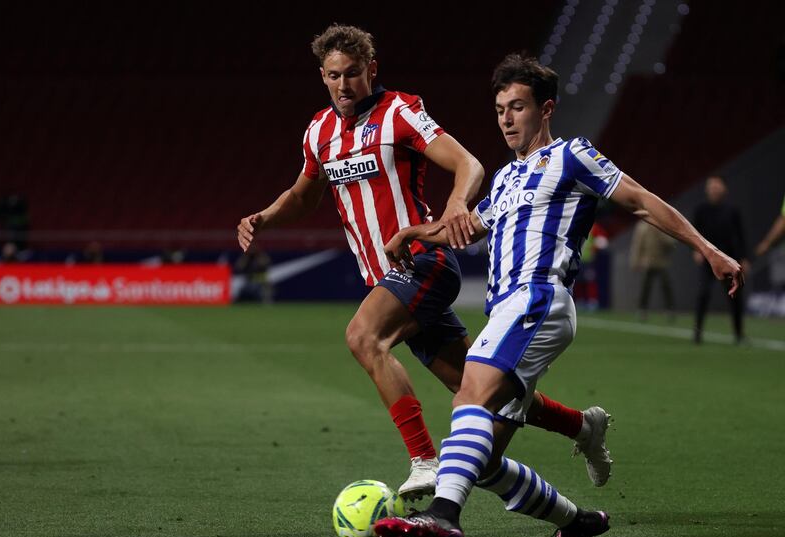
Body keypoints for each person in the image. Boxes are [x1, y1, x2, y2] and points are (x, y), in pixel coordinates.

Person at [374, 54, 743, 537]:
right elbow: (466, 227)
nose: (506, 117)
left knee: (469, 396)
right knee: (480, 459)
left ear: (545, 109)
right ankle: (578, 520)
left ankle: (442, 517)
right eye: (500, 108)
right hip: (510, 308)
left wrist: (708, 249)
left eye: (518, 107)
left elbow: (639, 200)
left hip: (538, 296)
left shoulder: (572, 156)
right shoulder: (505, 179)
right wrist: (416, 233)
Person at [236, 26, 612, 500]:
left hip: (422, 262)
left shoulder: (399, 112)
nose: (344, 85)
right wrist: (264, 218)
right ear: (322, 76)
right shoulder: (319, 132)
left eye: (353, 73)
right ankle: (582, 427)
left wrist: (457, 205)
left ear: (371, 70)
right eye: (334, 76)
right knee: (485, 390)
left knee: (362, 336)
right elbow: (302, 195)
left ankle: (424, 460)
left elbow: (469, 164)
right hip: (384, 278)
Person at [692, 176, 749, 344]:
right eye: (711, 186)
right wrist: (696, 251)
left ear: (724, 188)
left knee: (735, 296)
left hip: (730, 260)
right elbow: (692, 233)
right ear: (706, 189)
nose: (714, 189)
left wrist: (744, 258)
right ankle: (697, 333)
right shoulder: (700, 210)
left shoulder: (732, 210)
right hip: (708, 260)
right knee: (703, 294)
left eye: (717, 186)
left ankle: (739, 335)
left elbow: (740, 235)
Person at [630, 219, 676, 320]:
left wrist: (659, 233)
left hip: (661, 262)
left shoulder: (661, 225)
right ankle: (642, 310)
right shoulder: (642, 226)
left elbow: (671, 243)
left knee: (666, 287)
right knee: (645, 288)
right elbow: (637, 245)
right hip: (647, 262)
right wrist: (635, 261)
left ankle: (670, 310)